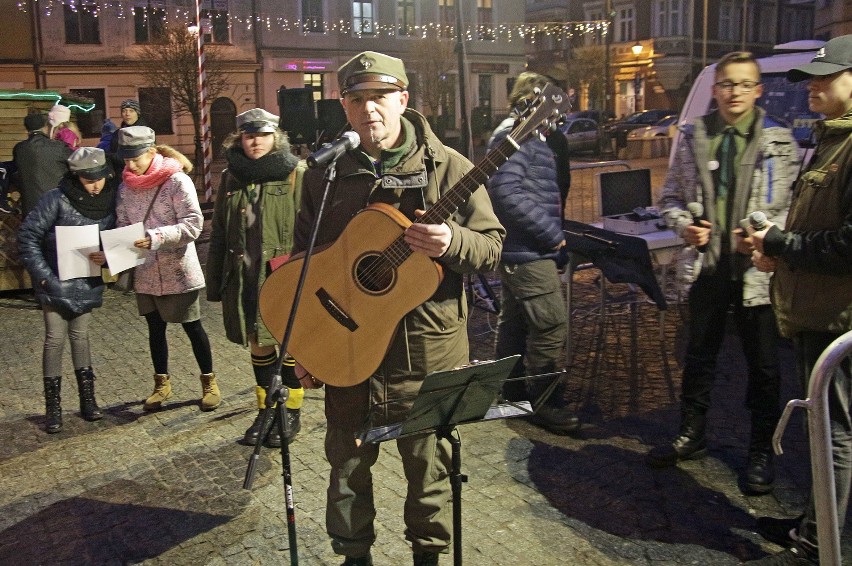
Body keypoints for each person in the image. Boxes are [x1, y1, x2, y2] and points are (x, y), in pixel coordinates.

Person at [294, 51, 504, 566]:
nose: (370, 110)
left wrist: (450, 241)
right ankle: (353, 558)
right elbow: (302, 263)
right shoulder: (324, 175)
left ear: (403, 99)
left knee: (430, 475)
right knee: (345, 470)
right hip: (346, 350)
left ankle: (431, 559)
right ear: (344, 105)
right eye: (357, 98)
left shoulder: (449, 168)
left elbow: (493, 249)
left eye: (380, 97)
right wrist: (305, 342)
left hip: (426, 355)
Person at [647, 51, 800, 495]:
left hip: (757, 274)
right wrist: (685, 228)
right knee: (698, 356)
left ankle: (760, 451)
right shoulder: (694, 135)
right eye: (726, 84)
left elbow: (790, 209)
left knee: (765, 368)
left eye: (743, 84)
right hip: (707, 270)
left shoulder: (780, 139)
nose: (734, 92)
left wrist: (765, 238)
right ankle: (691, 434)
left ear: (758, 89)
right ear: (715, 90)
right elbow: (670, 198)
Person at [746, 34, 852, 566]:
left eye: (826, 76)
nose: (813, 86)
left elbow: (847, 246)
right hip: (816, 311)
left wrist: (782, 245)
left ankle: (817, 548)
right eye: (812, 76)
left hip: (839, 321)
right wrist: (779, 251)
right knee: (823, 429)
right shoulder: (831, 139)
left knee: (834, 433)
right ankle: (815, 525)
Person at [485, 71, 579, 435]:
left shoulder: (525, 133)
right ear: (535, 98)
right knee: (551, 323)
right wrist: (552, 235)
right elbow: (506, 193)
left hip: (523, 247)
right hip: (528, 249)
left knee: (516, 322)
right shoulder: (516, 134)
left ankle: (510, 394)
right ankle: (546, 402)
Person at [206, 108, 305, 447]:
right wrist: (215, 283)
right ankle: (266, 410)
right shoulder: (231, 177)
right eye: (249, 135)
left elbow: (311, 229)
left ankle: (291, 410)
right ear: (240, 138)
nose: (256, 142)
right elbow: (219, 231)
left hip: (282, 274)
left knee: (289, 343)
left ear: (275, 138)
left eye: (263, 135)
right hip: (244, 275)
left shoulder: (296, 173)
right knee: (258, 342)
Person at [115, 125, 219, 413]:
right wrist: (114, 250)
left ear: (151, 151)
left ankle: (209, 382)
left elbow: (193, 224)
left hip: (177, 270)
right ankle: (161, 384)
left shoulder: (176, 181)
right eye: (126, 160)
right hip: (145, 272)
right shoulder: (126, 187)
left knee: (192, 326)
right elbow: (123, 224)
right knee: (154, 329)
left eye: (135, 158)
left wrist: (156, 238)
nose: (130, 165)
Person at [17, 147, 117, 433]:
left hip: (87, 281)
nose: (96, 185)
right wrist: (46, 278)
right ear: (76, 178)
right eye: (89, 180)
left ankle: (88, 401)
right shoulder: (55, 199)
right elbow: (28, 237)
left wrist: (109, 256)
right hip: (55, 281)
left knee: (80, 338)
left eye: (99, 178)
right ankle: (54, 408)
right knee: (54, 340)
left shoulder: (110, 200)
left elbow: (118, 239)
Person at [12, 111, 73, 218]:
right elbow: (76, 164)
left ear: (26, 130)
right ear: (45, 127)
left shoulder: (19, 149)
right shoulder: (58, 147)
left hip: (31, 208)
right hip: (57, 204)